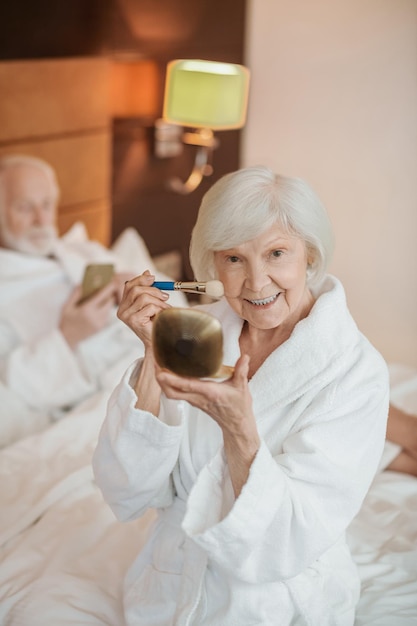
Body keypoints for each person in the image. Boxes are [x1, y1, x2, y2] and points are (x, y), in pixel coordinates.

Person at [92, 166, 390, 625]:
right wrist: (155, 353)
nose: (255, 282)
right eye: (234, 259)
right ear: (212, 264)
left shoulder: (356, 372)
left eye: (276, 254)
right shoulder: (195, 333)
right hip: (168, 589)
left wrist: (239, 430)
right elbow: (129, 490)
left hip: (277, 602)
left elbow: (288, 539)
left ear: (309, 254)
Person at [0, 154, 186, 437]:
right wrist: (69, 335)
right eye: (25, 207)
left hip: (158, 360)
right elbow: (16, 387)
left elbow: (176, 304)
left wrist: (139, 287)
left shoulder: (84, 251)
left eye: (46, 205)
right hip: (103, 398)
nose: (40, 219)